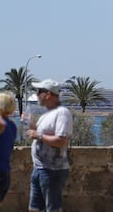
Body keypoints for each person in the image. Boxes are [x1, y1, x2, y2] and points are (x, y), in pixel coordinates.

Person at [26, 79, 73, 212]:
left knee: (52, 208)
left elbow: (61, 140)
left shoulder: (62, 113)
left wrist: (38, 135)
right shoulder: (47, 114)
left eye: (39, 91)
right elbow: (40, 134)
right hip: (40, 168)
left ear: (48, 94)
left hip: (52, 170)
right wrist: (31, 124)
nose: (36, 94)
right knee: (34, 208)